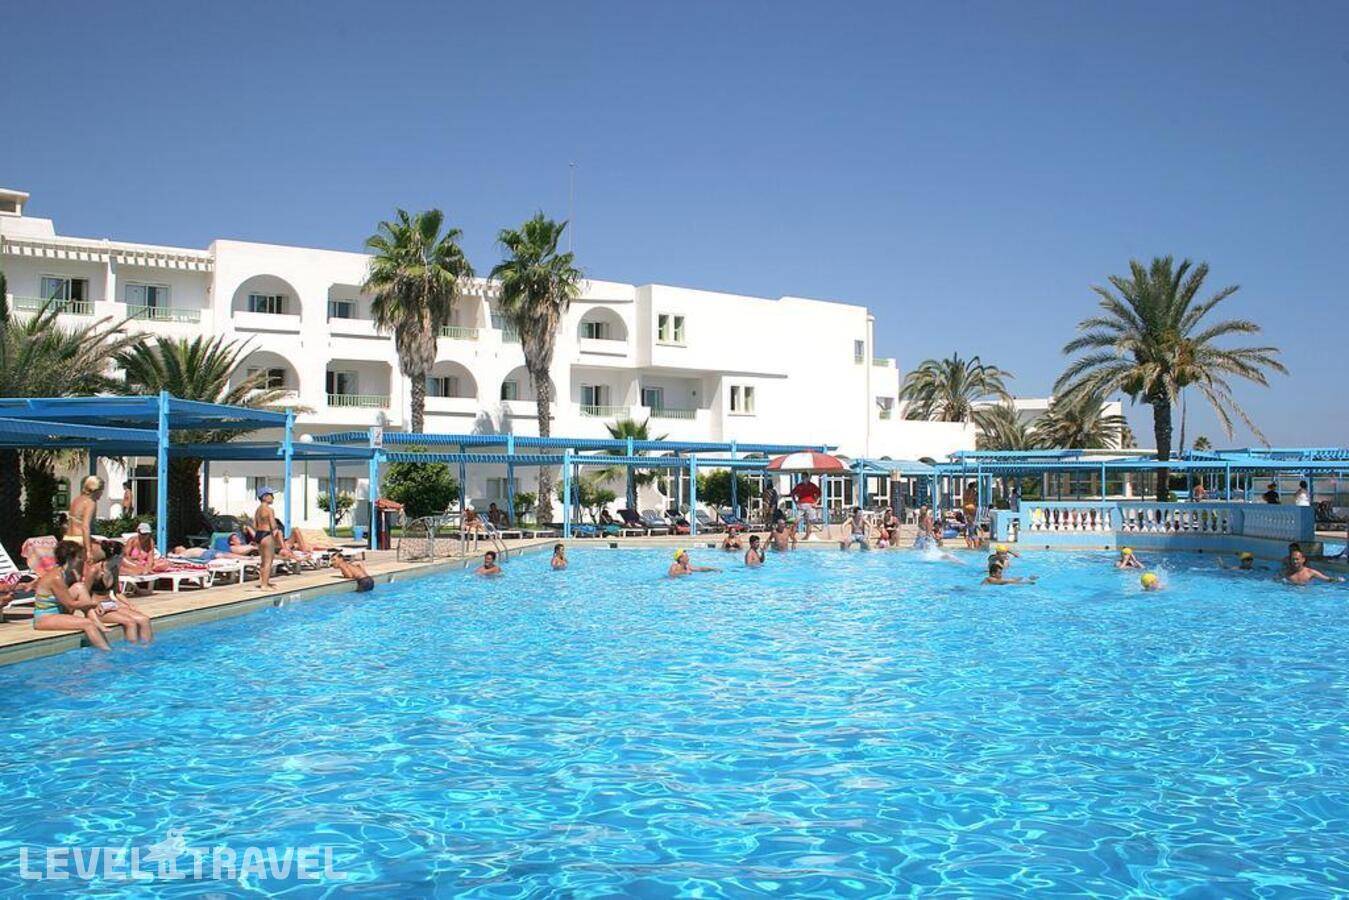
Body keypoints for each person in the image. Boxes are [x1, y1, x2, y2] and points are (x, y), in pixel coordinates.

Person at [31, 542, 112, 650]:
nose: (81, 560)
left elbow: (76, 598)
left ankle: (96, 622)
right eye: (79, 557)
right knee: (88, 623)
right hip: (45, 618)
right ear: (70, 558)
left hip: (61, 612)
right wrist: (95, 603)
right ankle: (106, 652)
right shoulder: (56, 577)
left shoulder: (68, 573)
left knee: (79, 587)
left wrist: (91, 604)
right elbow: (71, 604)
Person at [86, 541, 154, 644]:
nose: (124, 558)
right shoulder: (94, 570)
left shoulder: (114, 569)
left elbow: (117, 592)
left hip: (111, 604)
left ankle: (146, 648)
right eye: (123, 555)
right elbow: (85, 593)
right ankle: (131, 650)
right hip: (98, 609)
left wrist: (129, 604)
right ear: (116, 556)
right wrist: (94, 606)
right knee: (130, 622)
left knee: (144, 619)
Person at [65, 475, 103, 563]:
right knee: (112, 553)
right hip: (79, 540)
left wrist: (92, 539)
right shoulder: (91, 502)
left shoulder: (77, 499)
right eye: (101, 490)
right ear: (96, 490)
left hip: (67, 538)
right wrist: (89, 551)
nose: (102, 493)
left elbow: (74, 523)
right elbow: (85, 527)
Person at [251, 487, 283, 590]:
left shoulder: (257, 510)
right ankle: (264, 585)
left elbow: (254, 525)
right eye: (271, 495)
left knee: (263, 561)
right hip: (267, 534)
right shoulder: (269, 510)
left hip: (259, 535)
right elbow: (273, 525)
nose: (273, 497)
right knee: (268, 561)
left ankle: (264, 582)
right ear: (265, 497)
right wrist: (276, 534)